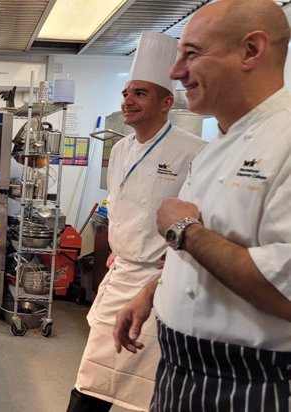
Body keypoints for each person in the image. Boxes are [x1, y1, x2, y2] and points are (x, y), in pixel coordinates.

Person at [113, 0, 291, 411]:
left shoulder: (284, 141)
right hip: (181, 370)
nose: (177, 72)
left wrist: (184, 231)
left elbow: (284, 291)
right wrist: (152, 292)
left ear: (252, 50)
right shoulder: (216, 149)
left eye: (191, 54)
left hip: (248, 383)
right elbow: (220, 246)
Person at [68, 32, 205, 412]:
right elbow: (121, 205)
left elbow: (202, 217)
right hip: (121, 273)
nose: (128, 101)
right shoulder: (123, 147)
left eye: (140, 93)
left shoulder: (193, 151)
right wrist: (118, 246)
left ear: (166, 102)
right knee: (96, 373)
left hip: (157, 284)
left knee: (135, 385)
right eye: (126, 93)